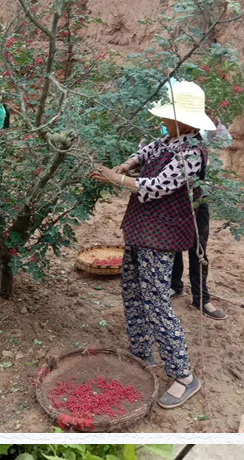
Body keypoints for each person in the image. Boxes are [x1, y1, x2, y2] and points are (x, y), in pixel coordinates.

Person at [89, 79, 215, 410]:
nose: (164, 122)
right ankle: (141, 353)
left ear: (185, 120)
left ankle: (185, 377)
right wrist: (129, 163)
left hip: (161, 236)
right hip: (141, 229)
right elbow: (146, 152)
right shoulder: (170, 140)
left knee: (157, 301)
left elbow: (157, 186)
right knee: (132, 292)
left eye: (169, 116)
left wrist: (114, 177)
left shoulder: (192, 153)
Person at [169, 117, 232, 319]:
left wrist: (215, 123)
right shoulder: (169, 134)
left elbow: (225, 142)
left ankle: (201, 299)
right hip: (174, 198)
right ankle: (175, 286)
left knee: (198, 248)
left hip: (199, 199)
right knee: (174, 245)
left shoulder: (204, 133)